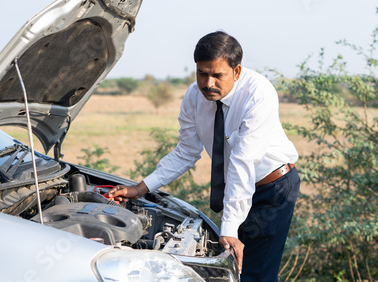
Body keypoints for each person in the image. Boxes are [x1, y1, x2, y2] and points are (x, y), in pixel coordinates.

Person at [108, 31, 300, 281]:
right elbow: (186, 152)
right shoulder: (193, 97)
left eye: (217, 75)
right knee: (231, 271)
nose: (208, 83)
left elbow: (243, 162)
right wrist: (139, 188)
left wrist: (229, 229)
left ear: (237, 72)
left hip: (271, 188)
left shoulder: (258, 94)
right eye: (202, 73)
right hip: (238, 190)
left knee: (254, 273)